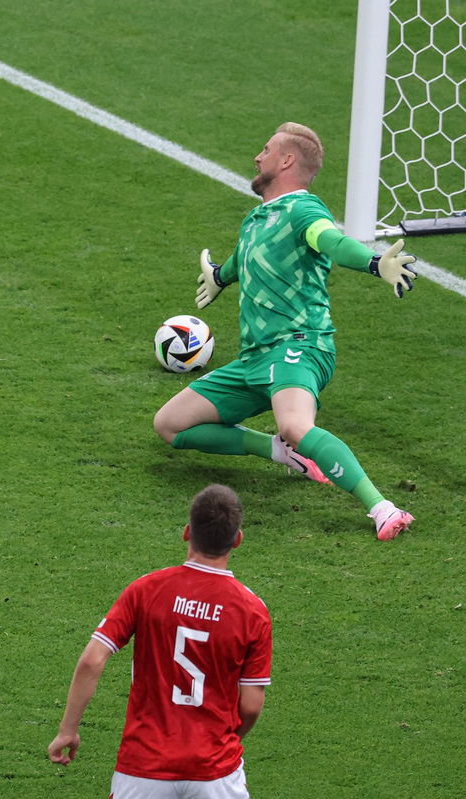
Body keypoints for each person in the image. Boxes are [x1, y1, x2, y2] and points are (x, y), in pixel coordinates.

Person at [153, 123, 418, 541]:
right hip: (254, 359)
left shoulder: (303, 211)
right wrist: (219, 277)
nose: (258, 157)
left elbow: (332, 242)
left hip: (299, 346)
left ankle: (382, 507)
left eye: (266, 150)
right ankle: (278, 452)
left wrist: (373, 263)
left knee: (295, 424)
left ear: (288, 160)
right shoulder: (256, 219)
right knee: (170, 425)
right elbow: (241, 261)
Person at [48, 484, 271, 798]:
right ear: (237, 539)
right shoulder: (253, 611)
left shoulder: (146, 590)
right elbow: (250, 704)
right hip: (215, 772)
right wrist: (220, 741)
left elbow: (91, 660)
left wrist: (67, 730)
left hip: (143, 767)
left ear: (186, 533)